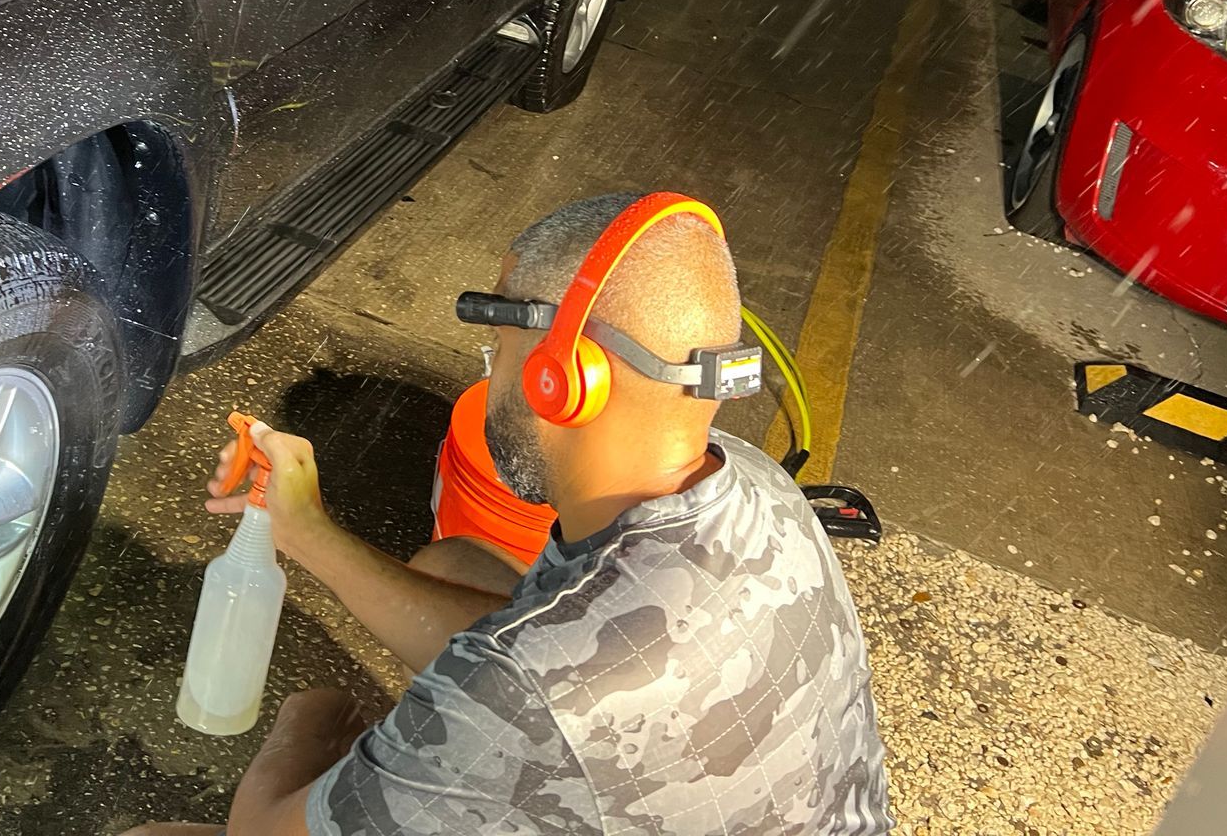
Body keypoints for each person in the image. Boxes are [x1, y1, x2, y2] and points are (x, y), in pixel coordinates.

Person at [123, 192, 891, 835]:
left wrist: (309, 721)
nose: (489, 378)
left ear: (567, 377)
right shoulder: (753, 480)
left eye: (498, 350)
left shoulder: (533, 691)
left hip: (578, 713)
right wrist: (306, 532)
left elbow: (260, 831)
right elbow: (531, 654)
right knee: (451, 565)